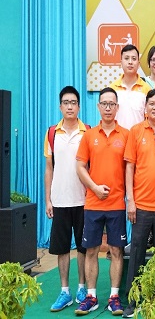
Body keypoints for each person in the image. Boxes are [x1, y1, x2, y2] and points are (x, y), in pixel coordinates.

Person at [75, 87, 128, 315]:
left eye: (111, 104)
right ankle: (92, 296)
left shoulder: (126, 135)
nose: (108, 108)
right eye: (104, 104)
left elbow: (131, 169)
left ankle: (114, 296)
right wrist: (94, 188)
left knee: (116, 251)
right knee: (91, 251)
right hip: (93, 204)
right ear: (98, 107)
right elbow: (80, 166)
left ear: (117, 107)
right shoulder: (89, 136)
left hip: (117, 204)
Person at [122, 89, 155, 318]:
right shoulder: (135, 132)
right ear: (145, 107)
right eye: (151, 104)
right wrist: (130, 201)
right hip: (141, 207)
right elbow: (129, 167)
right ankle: (132, 301)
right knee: (137, 255)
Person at [44, 86, 88, 312]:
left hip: (83, 200)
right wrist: (48, 200)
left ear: (79, 106)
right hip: (60, 200)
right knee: (62, 248)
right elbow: (49, 168)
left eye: (73, 103)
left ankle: (81, 287)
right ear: (60, 106)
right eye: (66, 103)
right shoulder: (52, 133)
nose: (70, 106)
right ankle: (65, 291)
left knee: (83, 247)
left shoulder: (87, 132)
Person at [109, 44, 151, 129]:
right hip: (117, 136)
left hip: (139, 136)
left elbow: (149, 119)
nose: (130, 62)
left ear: (138, 64)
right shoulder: (112, 89)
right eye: (126, 58)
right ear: (121, 63)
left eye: (134, 59)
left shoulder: (147, 89)